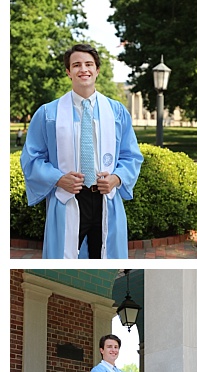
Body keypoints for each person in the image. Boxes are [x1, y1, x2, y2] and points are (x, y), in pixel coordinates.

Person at [20, 44, 143, 259]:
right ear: (68, 71)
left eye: (89, 64)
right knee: (63, 259)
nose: (83, 69)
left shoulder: (116, 112)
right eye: (76, 65)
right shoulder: (49, 113)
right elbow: (32, 158)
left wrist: (116, 178)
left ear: (97, 70)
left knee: (103, 257)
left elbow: (131, 155)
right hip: (68, 196)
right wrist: (58, 178)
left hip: (106, 198)